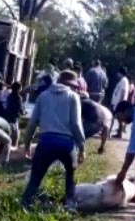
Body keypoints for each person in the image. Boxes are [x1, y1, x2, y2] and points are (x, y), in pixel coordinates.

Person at [21, 71, 86, 211]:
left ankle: (25, 205)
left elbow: (32, 123)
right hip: (66, 143)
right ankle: (70, 204)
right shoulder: (73, 97)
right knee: (70, 173)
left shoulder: (43, 96)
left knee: (36, 176)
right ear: (69, 84)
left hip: (46, 141)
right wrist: (82, 147)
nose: (75, 88)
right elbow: (76, 124)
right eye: (74, 86)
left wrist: (27, 143)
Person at [3, 82, 26, 149]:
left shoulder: (9, 96)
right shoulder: (19, 98)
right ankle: (13, 149)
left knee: (6, 134)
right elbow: (20, 109)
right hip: (13, 119)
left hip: (6, 117)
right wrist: (23, 112)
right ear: (19, 89)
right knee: (15, 135)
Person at [110, 67, 131, 138]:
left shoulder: (124, 81)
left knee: (118, 119)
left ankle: (116, 133)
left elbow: (123, 92)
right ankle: (118, 133)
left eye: (118, 73)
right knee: (118, 119)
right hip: (117, 102)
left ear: (120, 73)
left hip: (119, 103)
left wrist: (119, 103)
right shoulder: (122, 80)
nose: (117, 74)